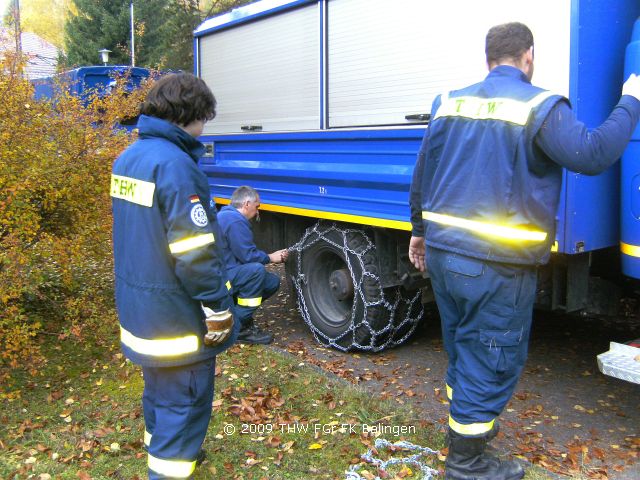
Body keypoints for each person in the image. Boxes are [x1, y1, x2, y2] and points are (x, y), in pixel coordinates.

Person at [408, 22, 640, 480]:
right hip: (495, 266)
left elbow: (422, 174)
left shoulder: (448, 102)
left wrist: (418, 231)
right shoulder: (540, 106)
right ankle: (468, 462)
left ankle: (465, 437)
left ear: (488, 58)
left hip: (442, 256)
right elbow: (593, 154)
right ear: (528, 56)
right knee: (492, 358)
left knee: (462, 349)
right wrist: (631, 99)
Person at [111, 73, 238, 479]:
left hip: (140, 309)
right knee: (183, 403)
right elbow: (194, 252)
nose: (204, 129)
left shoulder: (129, 157)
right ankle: (167, 466)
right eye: (204, 119)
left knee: (160, 393)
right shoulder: (176, 166)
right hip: (175, 318)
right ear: (190, 114)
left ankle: (158, 450)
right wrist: (218, 306)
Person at [217, 186, 289, 344]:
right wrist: (271, 257)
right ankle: (235, 327)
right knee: (256, 271)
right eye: (257, 207)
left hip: (225, 273)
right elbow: (248, 256)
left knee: (271, 282)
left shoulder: (227, 216)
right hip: (221, 279)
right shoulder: (234, 221)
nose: (257, 212)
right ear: (247, 204)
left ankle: (237, 313)